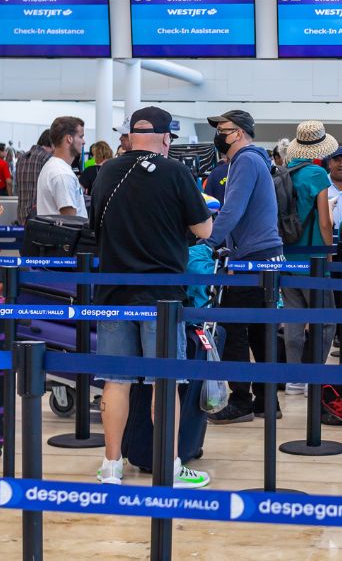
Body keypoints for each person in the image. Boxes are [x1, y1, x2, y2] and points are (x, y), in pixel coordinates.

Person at [92, 106, 212, 488]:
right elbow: (204, 229)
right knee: (165, 381)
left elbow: (95, 225)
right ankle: (168, 467)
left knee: (116, 380)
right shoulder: (175, 172)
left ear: (130, 136)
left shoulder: (105, 171)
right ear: (165, 137)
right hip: (161, 295)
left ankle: (111, 466)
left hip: (113, 291)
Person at [202, 109, 285, 425]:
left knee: (233, 327)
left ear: (237, 133)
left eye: (222, 129)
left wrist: (207, 243)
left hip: (252, 258)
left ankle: (241, 401)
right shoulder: (255, 160)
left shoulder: (245, 161)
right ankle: (267, 401)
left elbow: (232, 210)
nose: (219, 135)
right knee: (261, 331)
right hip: (264, 255)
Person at [280, 121, 339, 396]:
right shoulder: (317, 173)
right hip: (313, 258)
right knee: (325, 320)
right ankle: (314, 375)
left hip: (287, 255)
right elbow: (325, 222)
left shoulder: (284, 172)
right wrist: (329, 251)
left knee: (293, 319)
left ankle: (294, 378)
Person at [36, 116, 87, 218]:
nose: (83, 141)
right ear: (69, 139)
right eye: (81, 137)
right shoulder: (62, 174)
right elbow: (70, 221)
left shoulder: (53, 166)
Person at [15, 130, 54, 224]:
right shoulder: (47, 158)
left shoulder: (21, 158)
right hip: (39, 217)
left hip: (21, 215)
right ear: (53, 143)